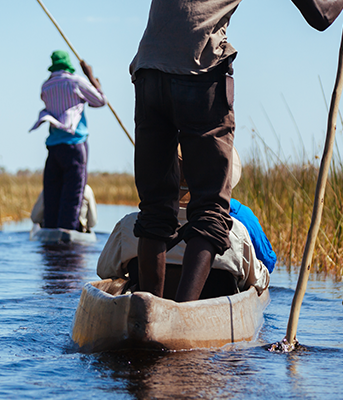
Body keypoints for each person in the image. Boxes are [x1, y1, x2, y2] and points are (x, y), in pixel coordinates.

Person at [130, 0, 343, 302]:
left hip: (148, 71)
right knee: (209, 211)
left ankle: (147, 311)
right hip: (199, 72)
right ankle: (182, 316)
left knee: (154, 209)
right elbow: (322, 14)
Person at [97, 153, 275, 296]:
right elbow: (257, 282)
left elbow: (105, 272)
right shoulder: (234, 231)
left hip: (144, 311)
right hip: (210, 318)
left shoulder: (130, 224)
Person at [30, 50, 106, 232]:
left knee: (52, 195)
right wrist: (91, 76)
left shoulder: (46, 86)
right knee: (73, 195)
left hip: (53, 147)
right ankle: (67, 238)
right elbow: (100, 101)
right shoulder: (76, 81)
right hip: (75, 144)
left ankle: (50, 236)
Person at [30, 184, 98, 233]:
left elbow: (35, 218)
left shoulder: (48, 188)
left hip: (51, 233)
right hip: (79, 234)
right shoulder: (86, 190)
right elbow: (92, 223)